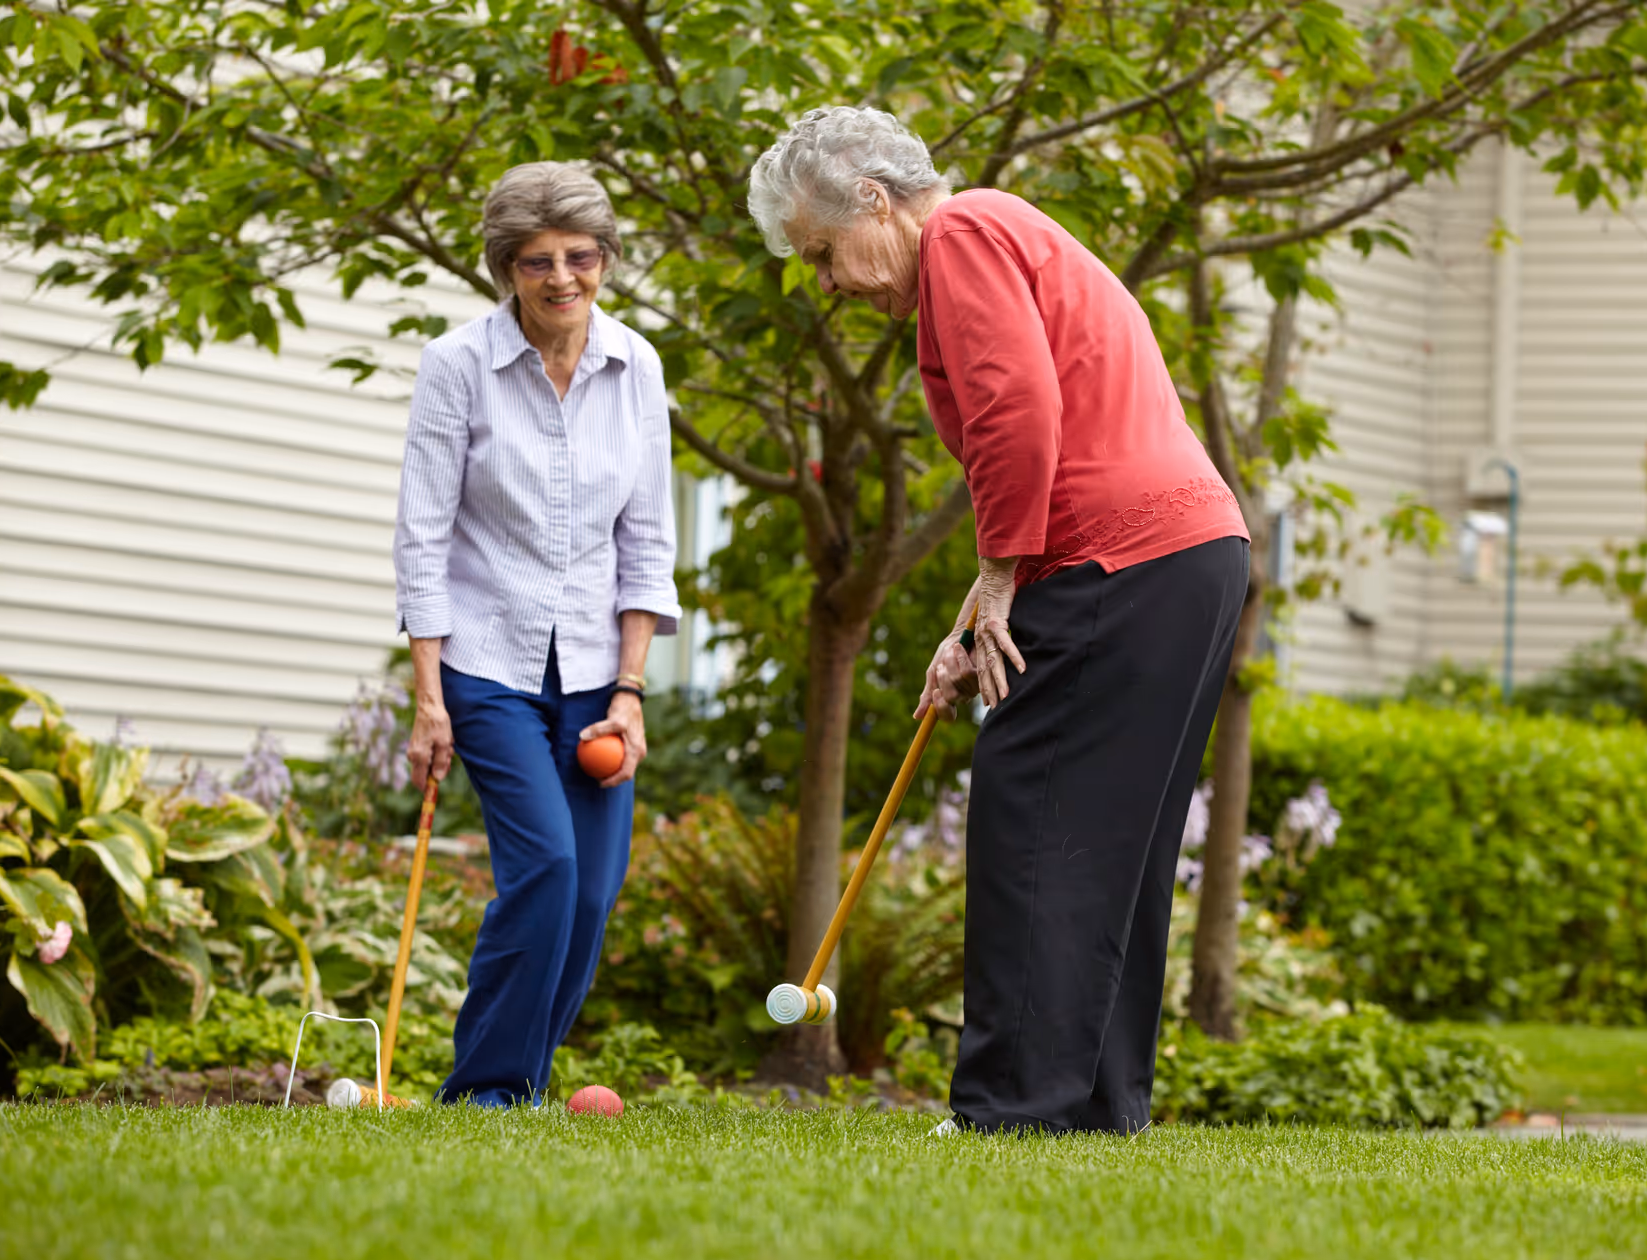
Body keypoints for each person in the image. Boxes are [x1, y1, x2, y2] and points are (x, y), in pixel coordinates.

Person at [749, 107, 1250, 1135]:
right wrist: (978, 611)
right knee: (1114, 845)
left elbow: (1018, 413)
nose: (830, 285)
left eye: (824, 254)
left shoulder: (963, 235)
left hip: (1125, 555)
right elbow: (1034, 437)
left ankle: (1013, 1108)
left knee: (1037, 820)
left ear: (876, 202)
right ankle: (1096, 1107)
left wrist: (998, 575)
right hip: (1185, 555)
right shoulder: (1002, 231)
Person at [394, 161, 681, 1107]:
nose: (563, 279)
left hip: (600, 672)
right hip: (484, 661)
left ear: (605, 259)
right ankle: (487, 1092)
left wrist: (632, 691)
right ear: (505, 268)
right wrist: (428, 699)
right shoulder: (457, 366)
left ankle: (523, 1076)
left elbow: (647, 539)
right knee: (547, 868)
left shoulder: (636, 365)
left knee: (593, 892)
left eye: (582, 257)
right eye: (536, 262)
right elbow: (424, 533)